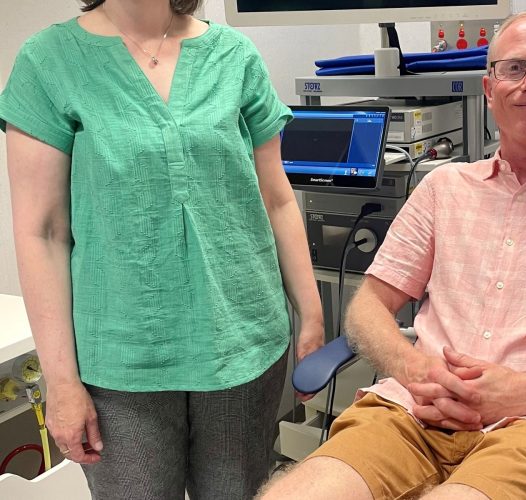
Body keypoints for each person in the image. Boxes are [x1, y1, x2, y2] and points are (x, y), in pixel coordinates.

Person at [260, 8, 526, 500]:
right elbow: (368, 307)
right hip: (411, 411)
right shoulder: (442, 188)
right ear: (489, 91)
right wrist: (413, 369)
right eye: (514, 68)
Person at [0, 0, 324, 498]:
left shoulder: (233, 54)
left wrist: (313, 315)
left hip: (243, 344)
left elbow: (276, 198)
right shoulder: (49, 62)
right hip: (120, 362)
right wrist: (61, 382)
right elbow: (41, 233)